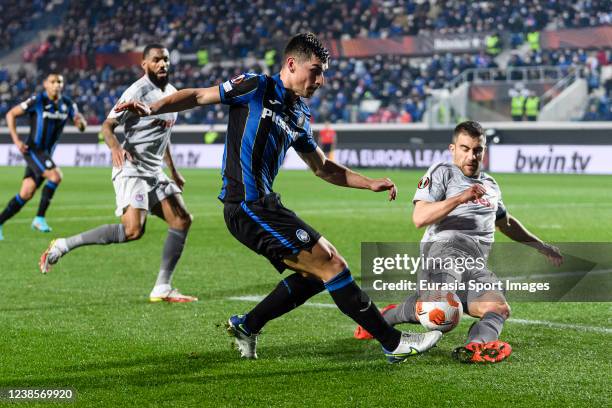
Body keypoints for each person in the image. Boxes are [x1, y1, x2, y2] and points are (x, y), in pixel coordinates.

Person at [114, 33, 442, 362]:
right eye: (315, 70)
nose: (321, 80)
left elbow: (323, 167)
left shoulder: (299, 113)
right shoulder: (256, 86)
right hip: (245, 204)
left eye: (323, 72)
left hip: (265, 204)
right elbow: (199, 96)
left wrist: (368, 183)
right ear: (291, 64)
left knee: (315, 275)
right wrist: (151, 107)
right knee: (331, 263)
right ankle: (392, 341)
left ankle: (247, 325)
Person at [354, 121, 563, 363]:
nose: (472, 155)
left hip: (474, 265)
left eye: (478, 150)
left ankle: (475, 348)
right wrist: (460, 198)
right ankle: (384, 319)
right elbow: (419, 218)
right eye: (465, 148)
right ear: (453, 148)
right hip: (442, 254)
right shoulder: (442, 172)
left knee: (498, 308)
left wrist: (541, 246)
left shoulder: (491, 186)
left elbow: (505, 223)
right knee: (442, 314)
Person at [39, 44, 197, 303]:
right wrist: (114, 148)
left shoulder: (172, 94)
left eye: (165, 60)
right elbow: (108, 125)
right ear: (144, 64)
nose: (162, 64)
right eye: (156, 60)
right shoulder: (136, 91)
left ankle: (162, 287)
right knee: (133, 230)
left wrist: (174, 170)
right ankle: (62, 245)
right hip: (132, 168)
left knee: (181, 220)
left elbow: (164, 134)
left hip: (154, 170)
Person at [0, 72, 86, 240]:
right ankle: (39, 218)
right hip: (33, 150)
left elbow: (81, 125)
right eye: (53, 81)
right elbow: (11, 114)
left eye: (59, 82)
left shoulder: (68, 104)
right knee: (55, 176)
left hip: (45, 154)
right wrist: (16, 140)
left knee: (26, 193)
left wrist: (81, 123)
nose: (56, 85)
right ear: (45, 84)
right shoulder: (37, 100)